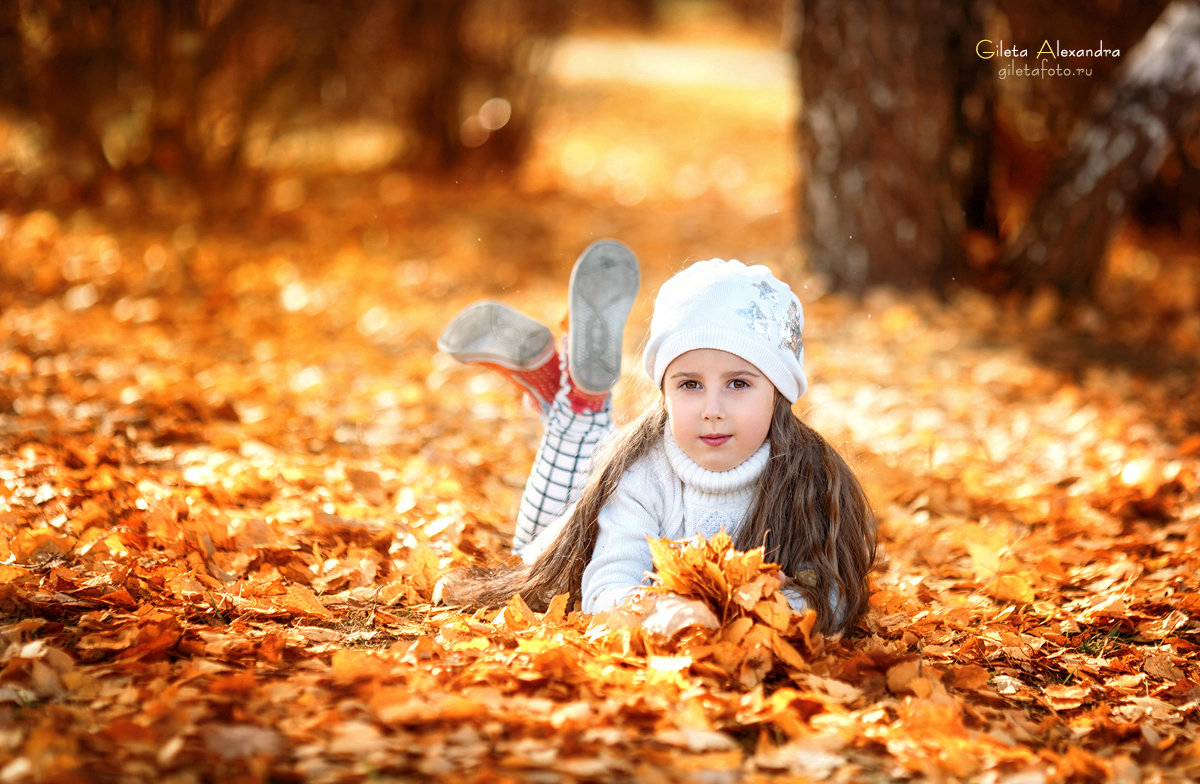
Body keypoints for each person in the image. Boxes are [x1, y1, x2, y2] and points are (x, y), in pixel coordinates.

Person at [436, 240, 876, 635]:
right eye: (689, 385)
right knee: (535, 545)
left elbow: (834, 597)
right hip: (566, 545)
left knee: (592, 456)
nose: (712, 409)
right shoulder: (641, 473)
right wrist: (659, 613)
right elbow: (606, 584)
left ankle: (568, 395)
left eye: (739, 384)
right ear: (663, 393)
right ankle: (574, 408)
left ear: (778, 392)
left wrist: (765, 609)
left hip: (611, 490)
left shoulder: (809, 476)